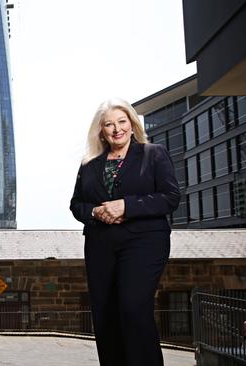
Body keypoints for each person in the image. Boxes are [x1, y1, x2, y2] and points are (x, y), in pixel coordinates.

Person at [69, 98, 180, 366]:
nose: (116, 129)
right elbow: (76, 205)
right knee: (105, 316)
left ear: (131, 124)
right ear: (101, 130)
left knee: (133, 308)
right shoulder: (89, 164)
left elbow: (170, 197)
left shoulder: (153, 154)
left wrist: (126, 206)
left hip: (144, 242)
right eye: (109, 124)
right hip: (100, 244)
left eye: (122, 122)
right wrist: (95, 212)